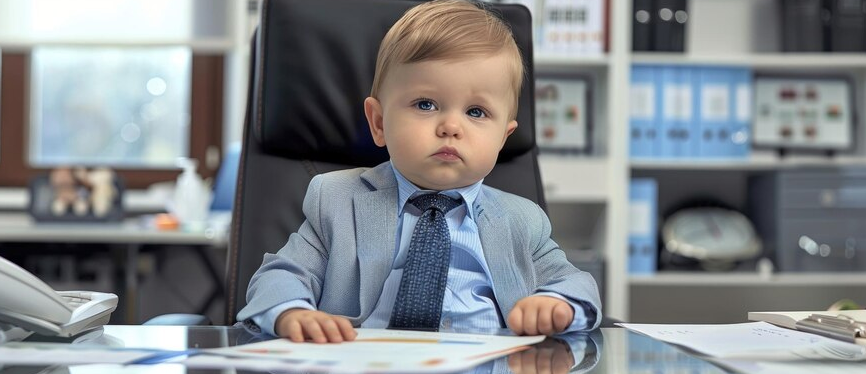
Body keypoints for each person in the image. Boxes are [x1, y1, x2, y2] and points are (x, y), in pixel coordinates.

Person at [237, 0, 602, 343]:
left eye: (476, 112)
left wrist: (558, 305)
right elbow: (281, 275)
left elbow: (575, 282)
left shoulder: (523, 220)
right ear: (378, 123)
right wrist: (292, 312)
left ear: (503, 137)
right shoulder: (335, 201)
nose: (450, 127)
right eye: (425, 104)